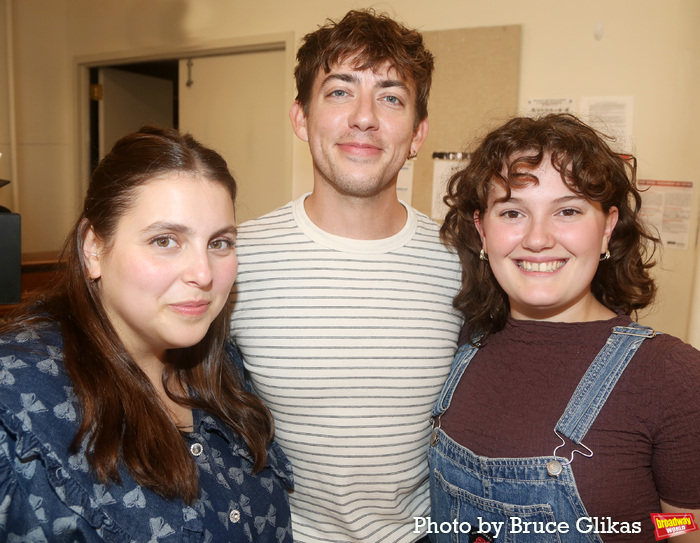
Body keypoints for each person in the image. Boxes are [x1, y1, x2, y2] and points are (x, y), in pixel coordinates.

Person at [229, 9, 463, 543]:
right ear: (301, 118)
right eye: (339, 92)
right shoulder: (234, 258)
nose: (364, 117)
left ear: (418, 133)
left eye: (391, 97)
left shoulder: (464, 264)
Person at [0, 126, 293, 542]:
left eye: (220, 242)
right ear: (94, 248)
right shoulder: (16, 403)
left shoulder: (225, 370)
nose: (203, 273)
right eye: (165, 240)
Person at [429, 113, 700, 542]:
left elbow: (686, 527)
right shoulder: (463, 344)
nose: (538, 239)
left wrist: (653, 534)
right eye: (513, 212)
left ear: (607, 227)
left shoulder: (671, 375)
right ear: (482, 230)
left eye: (568, 210)